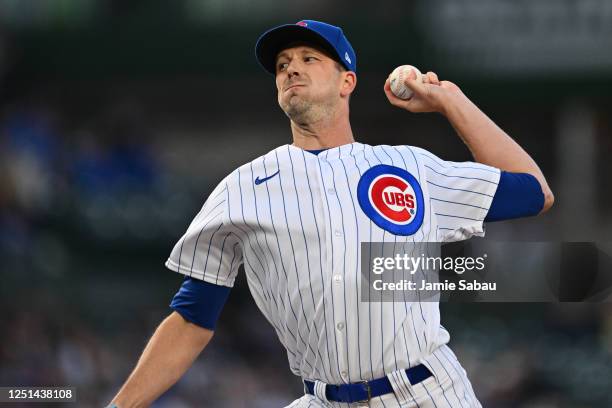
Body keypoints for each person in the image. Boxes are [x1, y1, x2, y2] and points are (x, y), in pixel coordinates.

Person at [108, 20, 553, 408]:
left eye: (309, 58)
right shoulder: (242, 189)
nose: (291, 69)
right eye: (282, 64)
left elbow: (534, 191)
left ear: (347, 82)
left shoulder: (409, 166)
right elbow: (192, 317)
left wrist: (451, 101)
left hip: (427, 393)